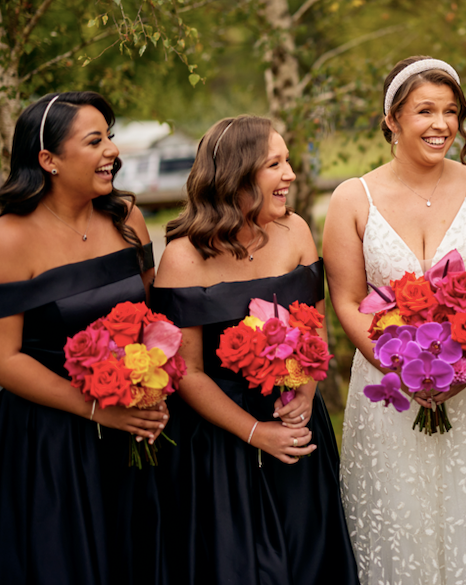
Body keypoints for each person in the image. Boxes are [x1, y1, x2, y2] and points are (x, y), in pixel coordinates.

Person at [324, 56, 466, 584]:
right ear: (392, 119)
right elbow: (347, 300)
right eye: (425, 111)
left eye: (451, 111)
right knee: (401, 520)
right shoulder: (353, 197)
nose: (442, 124)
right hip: (389, 390)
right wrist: (397, 367)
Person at [0, 92, 165, 585]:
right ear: (48, 159)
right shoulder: (7, 240)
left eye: (110, 138)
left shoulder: (127, 221)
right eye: (94, 141)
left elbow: (153, 320)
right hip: (44, 439)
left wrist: (152, 385)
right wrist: (97, 409)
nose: (111, 151)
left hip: (128, 425)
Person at [150, 116, 358, 585]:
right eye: (275, 165)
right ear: (237, 176)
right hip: (220, 437)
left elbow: (314, 327)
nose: (290, 175)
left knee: (307, 550)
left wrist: (305, 392)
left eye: (287, 162)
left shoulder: (296, 231)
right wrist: (254, 433)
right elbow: (188, 371)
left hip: (297, 419)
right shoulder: (183, 256)